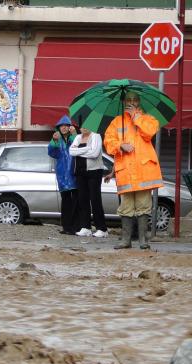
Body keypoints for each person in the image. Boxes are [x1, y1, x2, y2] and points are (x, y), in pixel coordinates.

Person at [104, 91, 163, 249]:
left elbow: (149, 133)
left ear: (139, 102)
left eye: (134, 100)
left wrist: (136, 118)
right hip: (126, 171)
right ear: (124, 102)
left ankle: (143, 240)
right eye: (128, 100)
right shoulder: (117, 122)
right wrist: (120, 145)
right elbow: (108, 141)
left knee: (144, 206)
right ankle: (126, 240)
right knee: (126, 207)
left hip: (144, 171)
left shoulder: (148, 119)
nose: (131, 102)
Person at [69, 125, 108, 237]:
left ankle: (102, 229)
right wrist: (87, 148)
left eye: (87, 125)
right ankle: (86, 227)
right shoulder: (77, 137)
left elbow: (95, 154)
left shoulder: (96, 136)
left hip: (94, 171)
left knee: (95, 199)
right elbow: (71, 151)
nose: (84, 128)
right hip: (80, 172)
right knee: (82, 199)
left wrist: (79, 151)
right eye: (81, 126)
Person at [48, 115, 78, 235]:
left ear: (70, 127)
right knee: (66, 203)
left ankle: (76, 227)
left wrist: (75, 134)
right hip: (62, 176)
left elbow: (80, 147)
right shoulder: (56, 139)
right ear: (58, 128)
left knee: (76, 203)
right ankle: (66, 227)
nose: (64, 128)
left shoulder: (74, 138)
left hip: (74, 175)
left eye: (67, 126)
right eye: (62, 126)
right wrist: (54, 141)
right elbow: (52, 153)